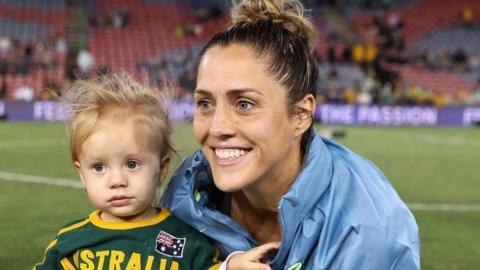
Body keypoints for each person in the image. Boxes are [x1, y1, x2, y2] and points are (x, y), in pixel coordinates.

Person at [161, 0, 420, 269]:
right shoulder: (186, 194)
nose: (217, 128)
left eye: (244, 105)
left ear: (301, 115)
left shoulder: (365, 232)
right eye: (205, 103)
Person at [33, 74, 279, 270]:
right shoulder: (70, 243)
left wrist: (231, 266)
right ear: (82, 174)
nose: (117, 180)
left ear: (161, 169)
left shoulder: (185, 238)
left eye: (132, 164)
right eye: (99, 167)